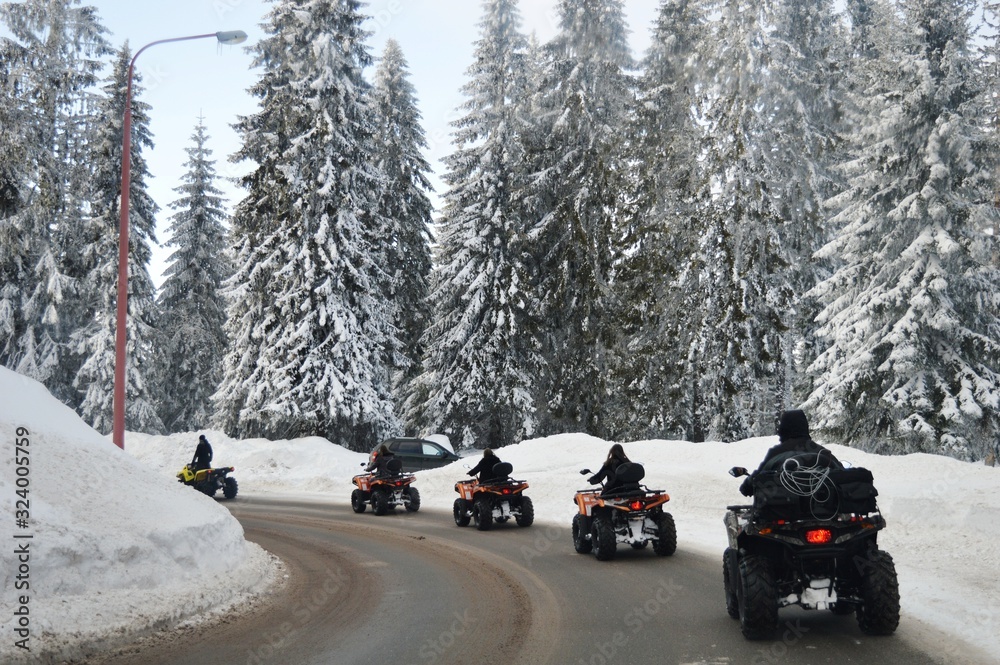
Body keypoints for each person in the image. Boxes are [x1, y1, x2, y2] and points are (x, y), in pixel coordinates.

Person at [740, 409, 841, 497]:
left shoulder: (776, 453)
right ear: (805, 427)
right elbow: (844, 475)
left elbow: (758, 477)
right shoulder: (821, 452)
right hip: (825, 512)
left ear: (783, 429)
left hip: (781, 512)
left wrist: (747, 486)